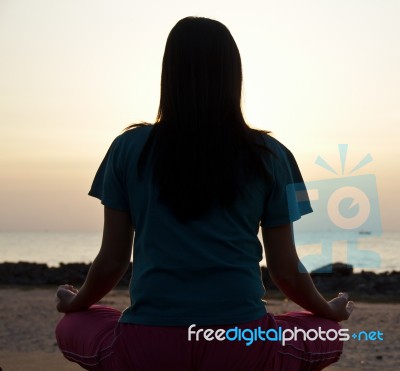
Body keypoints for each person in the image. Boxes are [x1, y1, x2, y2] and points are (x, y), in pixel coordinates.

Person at [55, 16, 354, 371]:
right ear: (234, 76)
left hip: (148, 348)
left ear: (170, 74)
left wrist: (76, 304)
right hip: (241, 348)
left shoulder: (126, 148)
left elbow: (112, 262)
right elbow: (285, 270)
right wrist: (327, 310)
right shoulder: (274, 156)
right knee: (327, 332)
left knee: (75, 323)